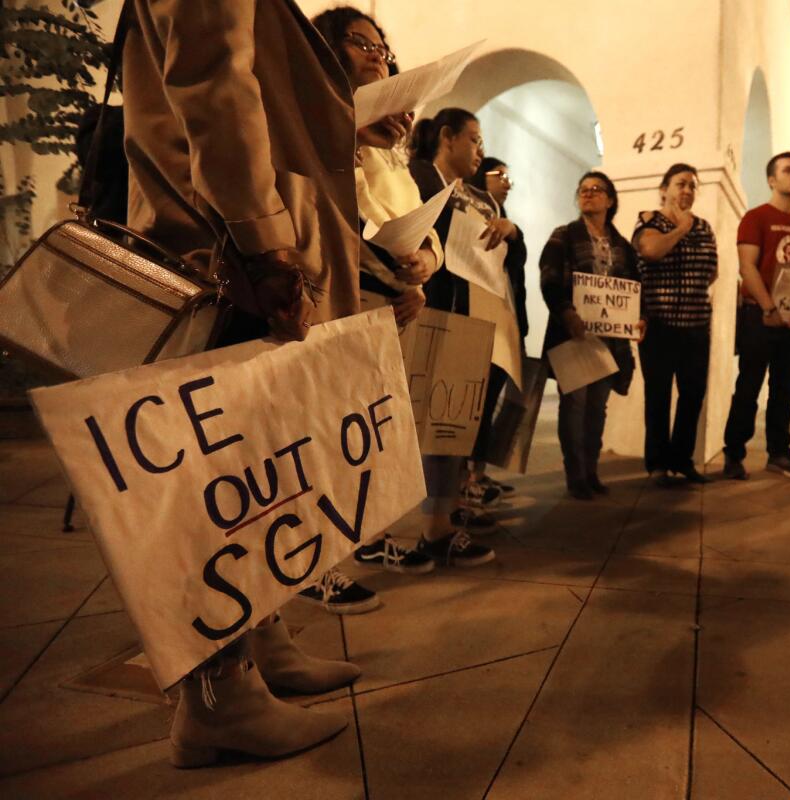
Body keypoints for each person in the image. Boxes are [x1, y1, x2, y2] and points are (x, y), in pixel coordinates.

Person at [123, 0, 380, 766]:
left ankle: (262, 643)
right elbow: (213, 74)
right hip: (220, 242)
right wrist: (264, 241)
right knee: (221, 478)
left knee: (255, 469)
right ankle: (218, 697)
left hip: (225, 234)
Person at [310, 7, 450, 573]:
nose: (377, 54)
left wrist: (421, 270)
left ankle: (364, 539)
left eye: (383, 50)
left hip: (388, 309)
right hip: (328, 305)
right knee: (319, 440)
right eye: (361, 43)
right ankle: (320, 568)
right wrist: (350, 132)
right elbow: (328, 220)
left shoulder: (391, 159)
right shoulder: (312, 134)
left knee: (365, 439)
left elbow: (420, 227)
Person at [408, 107, 514, 564]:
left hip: (466, 314)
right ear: (447, 138)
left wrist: (507, 225)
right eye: (474, 140)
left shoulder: (474, 195)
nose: (480, 151)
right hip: (421, 311)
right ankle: (430, 526)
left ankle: (444, 520)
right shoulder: (415, 179)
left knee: (451, 424)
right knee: (431, 426)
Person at [541, 171, 641, 499]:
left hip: (609, 341)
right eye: (583, 189)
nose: (588, 194)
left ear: (610, 200)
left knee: (598, 407)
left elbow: (635, 291)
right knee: (574, 406)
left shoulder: (623, 247)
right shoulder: (564, 236)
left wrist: (639, 320)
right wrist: (567, 313)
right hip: (573, 336)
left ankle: (592, 469)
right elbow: (550, 279)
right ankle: (576, 475)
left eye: (596, 189)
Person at [722, 151, 790, 480]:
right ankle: (734, 454)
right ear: (771, 179)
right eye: (787, 170)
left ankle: (779, 453)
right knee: (748, 387)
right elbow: (746, 267)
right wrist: (768, 308)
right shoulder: (756, 218)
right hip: (759, 317)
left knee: (784, 392)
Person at [633, 163, 718, 485]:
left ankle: (682, 460)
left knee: (693, 395)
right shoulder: (648, 223)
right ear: (664, 189)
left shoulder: (705, 227)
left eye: (693, 186)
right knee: (658, 396)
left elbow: (712, 270)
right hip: (659, 327)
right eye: (681, 184)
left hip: (696, 327)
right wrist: (681, 228)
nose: (687, 190)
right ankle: (657, 465)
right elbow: (651, 251)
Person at [467, 156, 529, 498]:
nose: (506, 181)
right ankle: (465, 481)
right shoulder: (467, 211)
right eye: (499, 174)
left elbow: (516, 268)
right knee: (473, 404)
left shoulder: (504, 222)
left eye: (509, 177)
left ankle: (478, 472)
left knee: (490, 402)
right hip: (477, 321)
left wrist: (513, 231)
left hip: (503, 322)